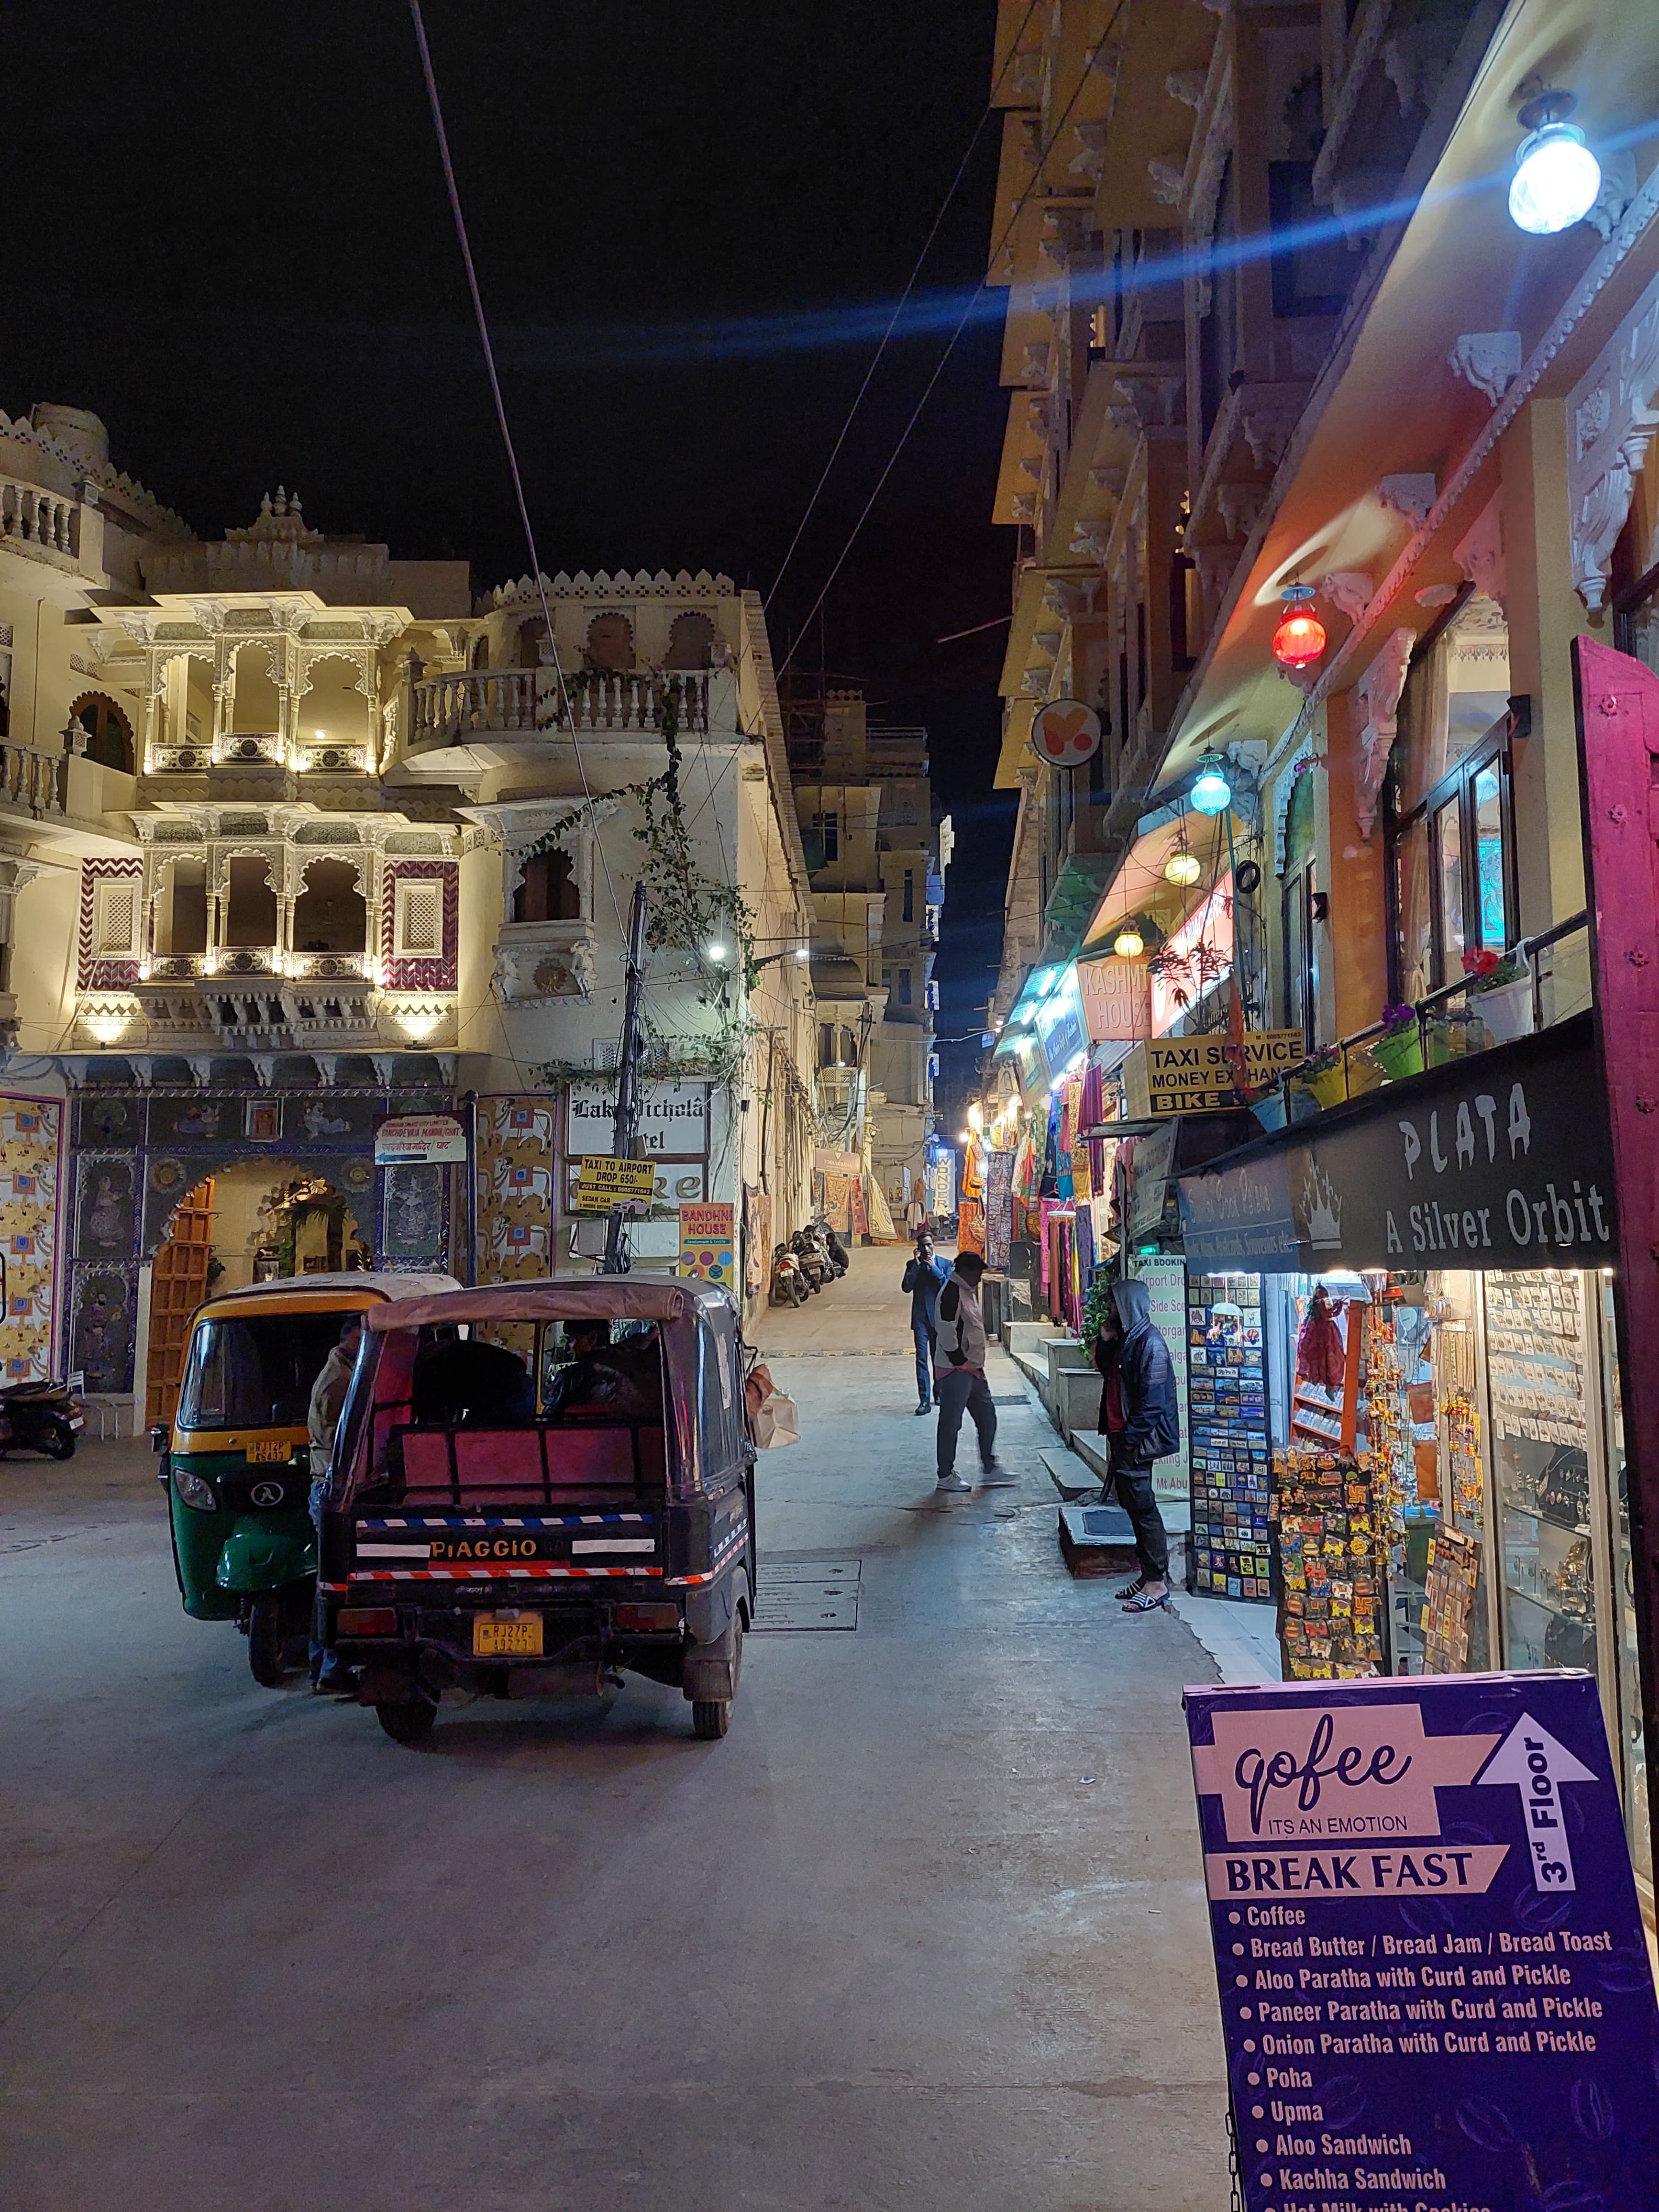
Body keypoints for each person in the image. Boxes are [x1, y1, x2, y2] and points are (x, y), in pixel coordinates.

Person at [1094, 1278, 1181, 1614]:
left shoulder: (1150, 1344)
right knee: (1134, 1508)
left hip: (1136, 1441)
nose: (1111, 1309)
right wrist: (1105, 1341)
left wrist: (1129, 1440)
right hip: (1124, 1437)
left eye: (1115, 1303)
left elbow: (1152, 1404)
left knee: (1144, 1509)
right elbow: (1105, 1371)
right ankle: (1147, 1575)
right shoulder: (1129, 1339)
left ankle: (1157, 1583)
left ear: (1128, 1304)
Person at [309, 1315, 363, 1692]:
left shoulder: (345, 1370)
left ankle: (324, 1665)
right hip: (332, 1487)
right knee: (335, 1580)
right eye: (363, 1339)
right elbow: (346, 1439)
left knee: (331, 1578)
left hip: (330, 1485)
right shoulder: (340, 1381)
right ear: (349, 1340)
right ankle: (330, 1667)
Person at [934, 1251, 1014, 1492]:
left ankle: (990, 1466)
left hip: (973, 1369)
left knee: (987, 1416)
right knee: (951, 1423)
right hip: (956, 1369)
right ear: (965, 1271)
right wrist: (959, 1360)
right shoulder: (951, 1293)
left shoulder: (967, 1291)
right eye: (977, 1273)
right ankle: (946, 1474)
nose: (980, 1278)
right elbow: (947, 1330)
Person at [901, 1231, 951, 1415]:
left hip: (939, 1320)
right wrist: (916, 1266)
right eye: (923, 1246)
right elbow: (906, 1287)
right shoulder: (913, 1266)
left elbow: (948, 1287)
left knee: (939, 1359)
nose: (927, 1249)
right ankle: (924, 1400)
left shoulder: (945, 1264)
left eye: (929, 1245)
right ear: (918, 1248)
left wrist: (934, 1269)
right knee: (921, 1359)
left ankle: (939, 1393)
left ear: (934, 1245)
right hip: (921, 1320)